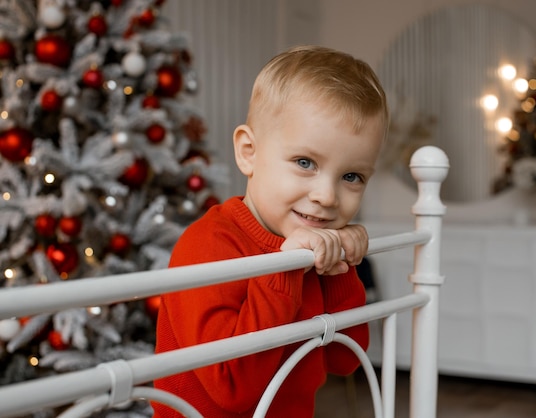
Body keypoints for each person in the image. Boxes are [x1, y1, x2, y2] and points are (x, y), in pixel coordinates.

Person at [152, 45, 389, 418]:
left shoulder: (314, 247)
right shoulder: (208, 244)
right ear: (249, 152)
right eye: (305, 162)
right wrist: (286, 268)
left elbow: (345, 358)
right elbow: (231, 388)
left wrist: (343, 266)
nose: (327, 196)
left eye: (351, 176)